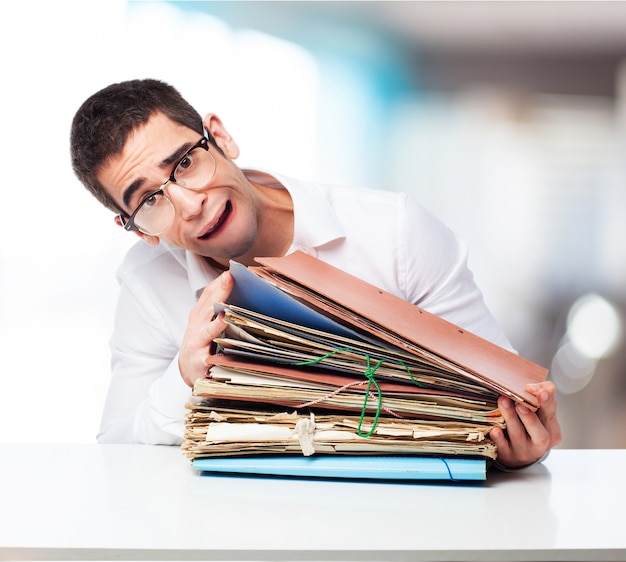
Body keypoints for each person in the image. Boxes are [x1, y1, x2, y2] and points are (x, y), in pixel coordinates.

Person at [70, 78, 561, 468]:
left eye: (185, 163)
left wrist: (517, 448)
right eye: (151, 201)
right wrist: (183, 374)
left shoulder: (396, 232)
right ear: (139, 231)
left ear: (219, 137)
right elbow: (117, 453)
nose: (190, 205)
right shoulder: (147, 282)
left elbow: (503, 401)